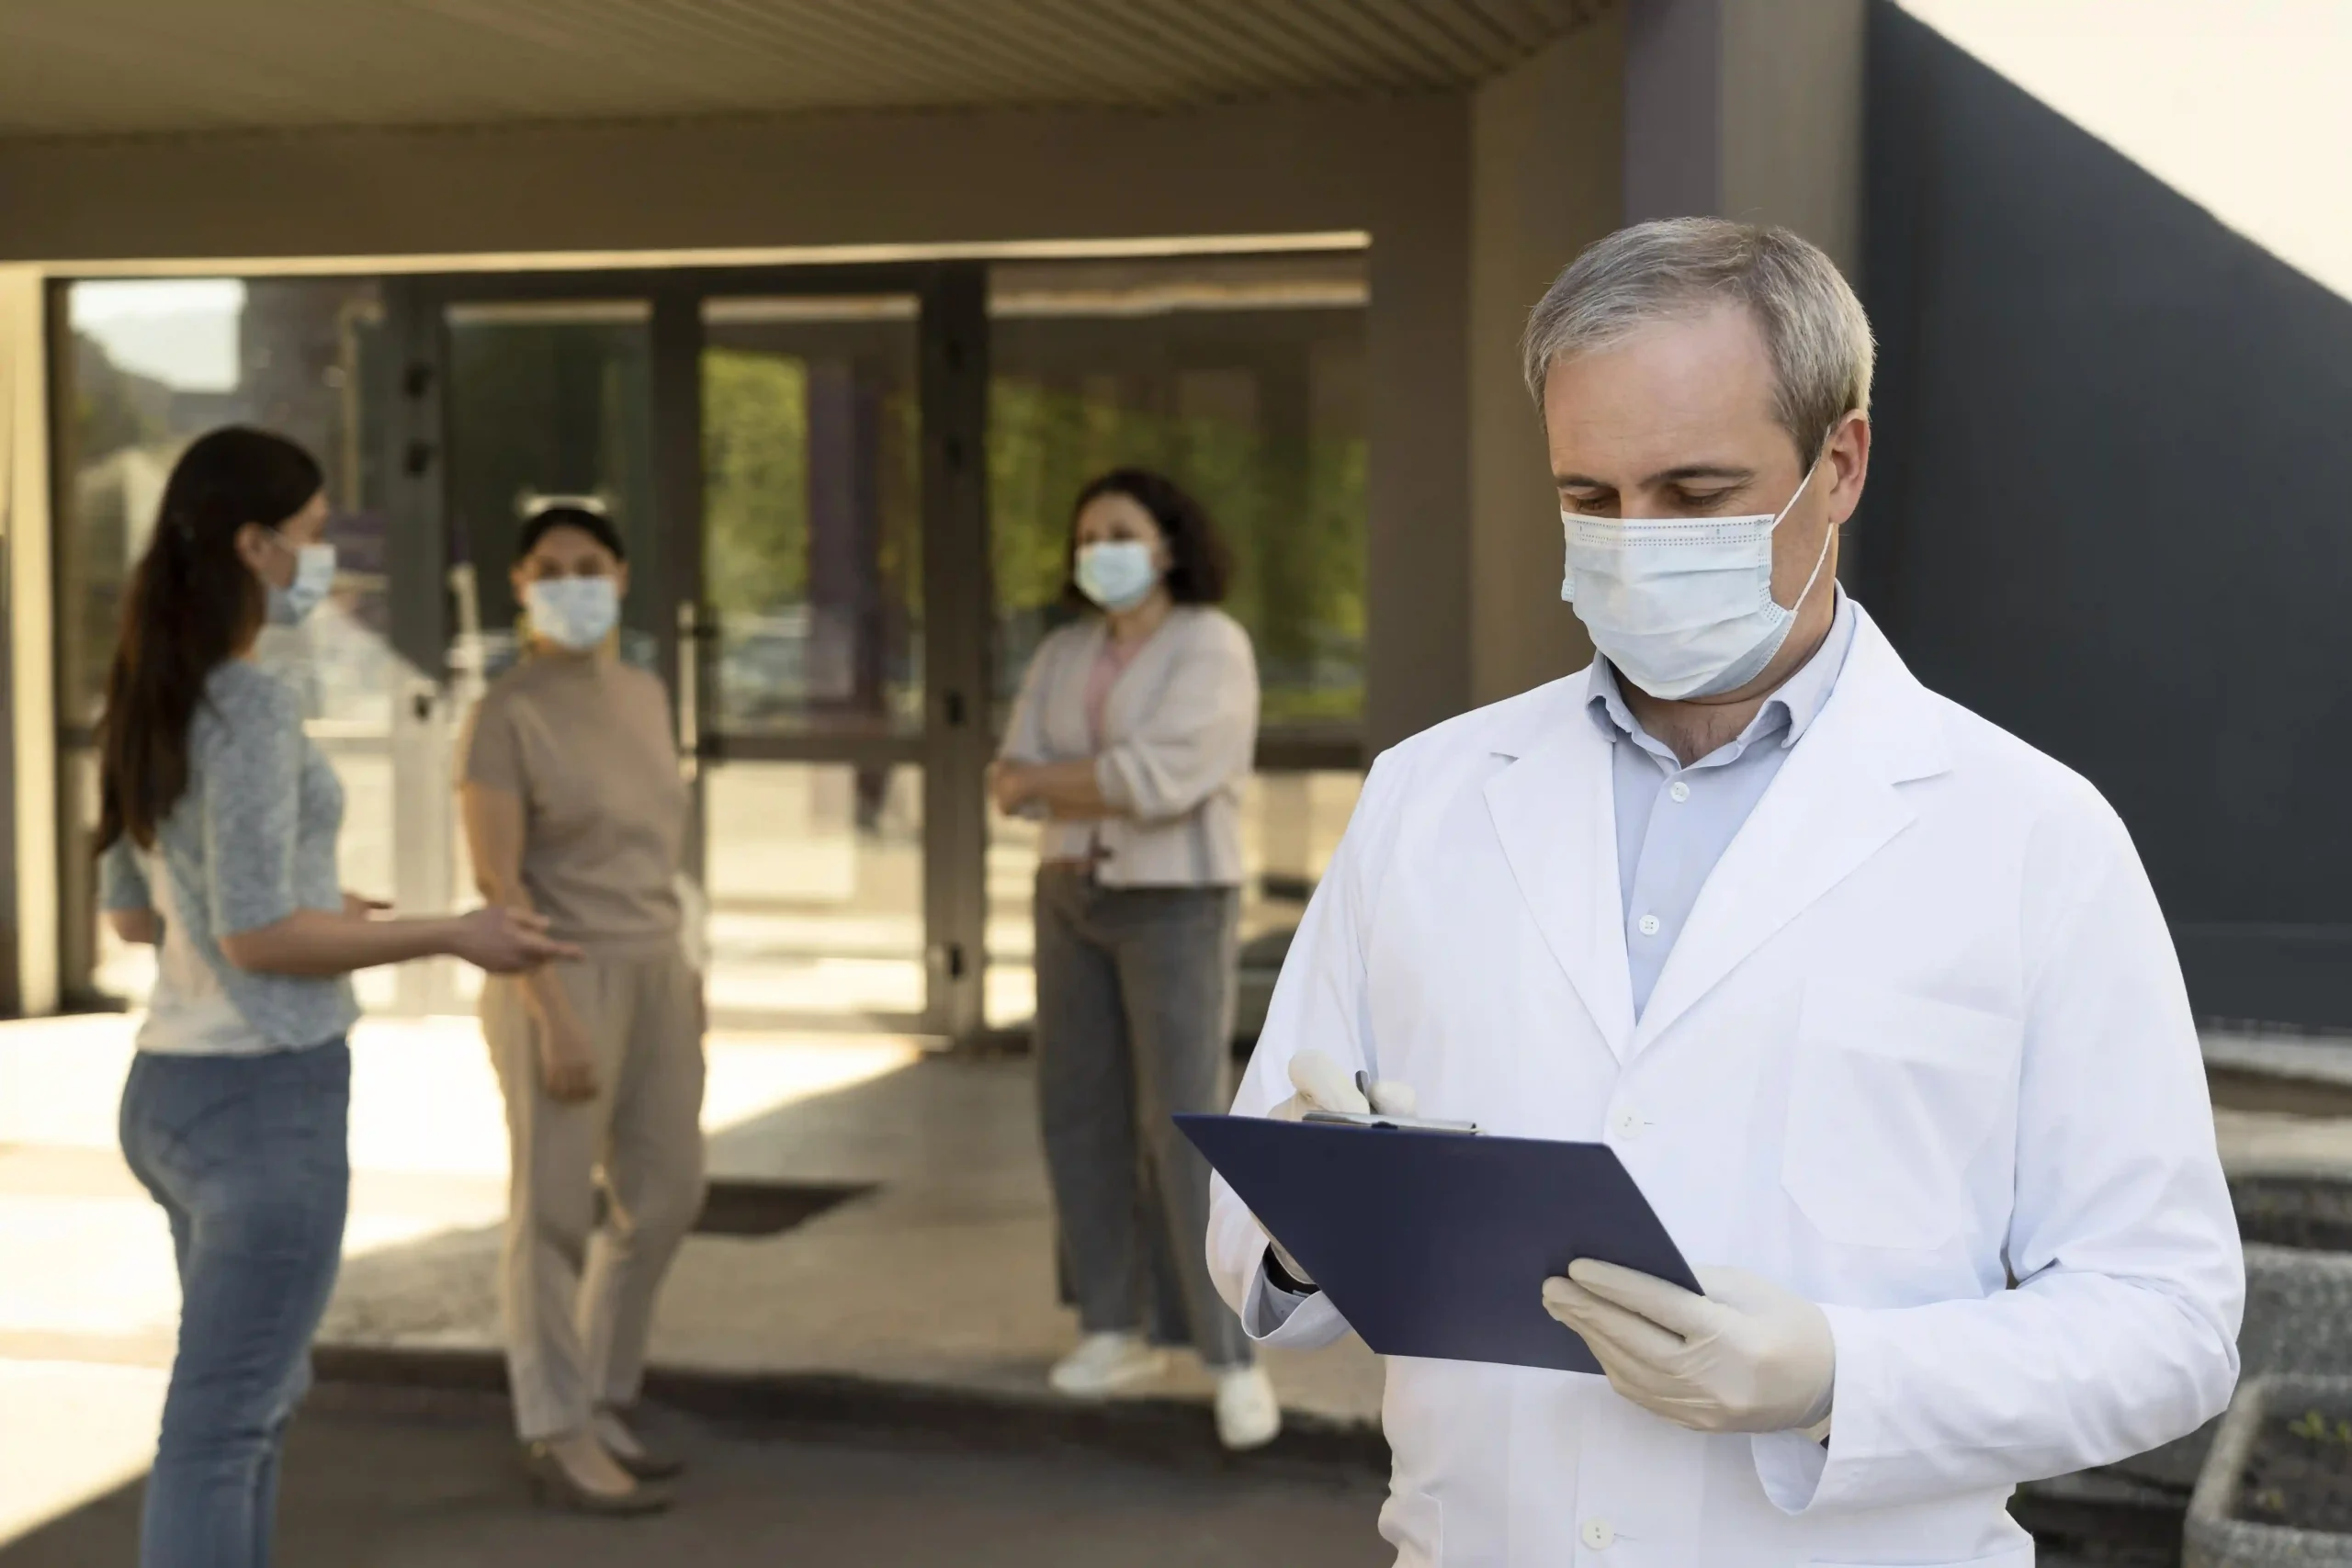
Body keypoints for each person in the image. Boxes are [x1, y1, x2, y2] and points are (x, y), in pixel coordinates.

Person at [1209, 219, 2245, 1564]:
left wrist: (1839, 1376)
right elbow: (1254, 1232)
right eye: (1590, 496)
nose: (1636, 542)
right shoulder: (1430, 795)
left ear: (1843, 464)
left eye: (1696, 493)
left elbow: (2166, 1319)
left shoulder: (2032, 836)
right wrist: (1311, 1220)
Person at [96, 426, 575, 1568]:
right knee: (223, 1432)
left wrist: (328, 899)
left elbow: (141, 907)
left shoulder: (153, 692)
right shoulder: (249, 706)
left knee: (239, 1417)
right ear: (254, 546)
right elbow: (257, 935)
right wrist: (454, 931)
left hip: (169, 1092)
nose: (328, 561)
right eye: (312, 538)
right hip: (264, 1101)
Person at [992, 468, 1280, 1451]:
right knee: (1075, 1110)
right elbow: (1006, 776)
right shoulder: (1065, 650)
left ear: (1165, 544)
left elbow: (1167, 779)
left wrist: (1053, 780)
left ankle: (1228, 1357)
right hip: (1068, 894)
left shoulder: (1212, 645)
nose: (1097, 552)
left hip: (1175, 902)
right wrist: (1063, 784)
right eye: (1085, 538)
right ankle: (1112, 1326)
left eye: (1117, 532)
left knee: (1180, 1126)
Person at [458, 501, 707, 1514]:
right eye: (550, 568)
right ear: (520, 585)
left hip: (656, 968)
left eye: (589, 564)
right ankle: (554, 1425)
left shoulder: (645, 694)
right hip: (556, 972)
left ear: (620, 575)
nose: (572, 582)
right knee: (553, 1211)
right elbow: (497, 881)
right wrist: (551, 1011)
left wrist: (689, 981)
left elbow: (663, 856)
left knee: (670, 1192)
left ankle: (602, 1392)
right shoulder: (503, 713)